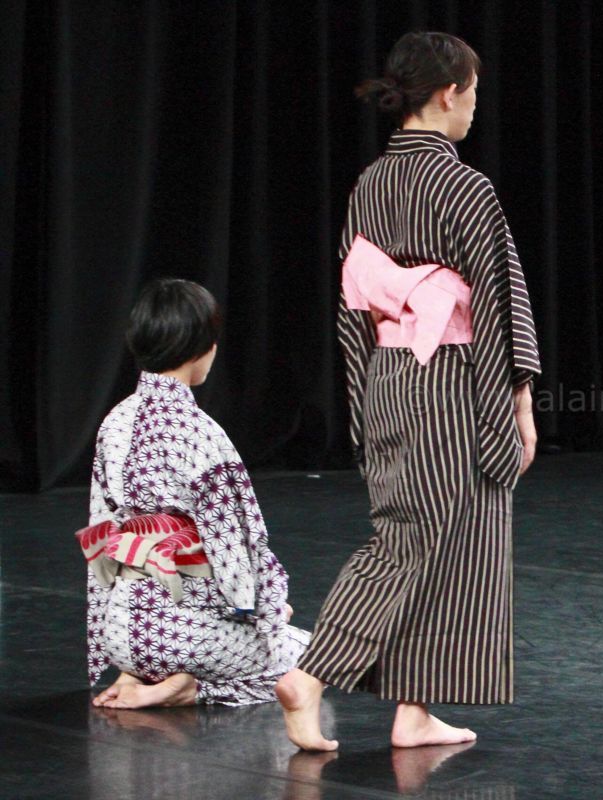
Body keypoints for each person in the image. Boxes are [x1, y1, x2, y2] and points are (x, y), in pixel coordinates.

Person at [276, 31, 540, 751]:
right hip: (450, 380)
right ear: (449, 92)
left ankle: (414, 709)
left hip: (390, 372)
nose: (476, 107)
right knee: (413, 537)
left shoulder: (370, 182)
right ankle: (310, 673)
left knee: (457, 538)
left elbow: (353, 302)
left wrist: (363, 386)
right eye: (474, 93)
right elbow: (497, 299)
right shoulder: (464, 186)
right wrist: (518, 399)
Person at [81, 279, 310, 708]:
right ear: (201, 348)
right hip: (181, 634)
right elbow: (237, 544)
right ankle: (193, 688)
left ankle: (137, 673)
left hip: (121, 630)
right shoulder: (200, 434)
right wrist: (269, 608)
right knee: (314, 660)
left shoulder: (114, 421)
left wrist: (107, 627)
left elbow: (101, 531)